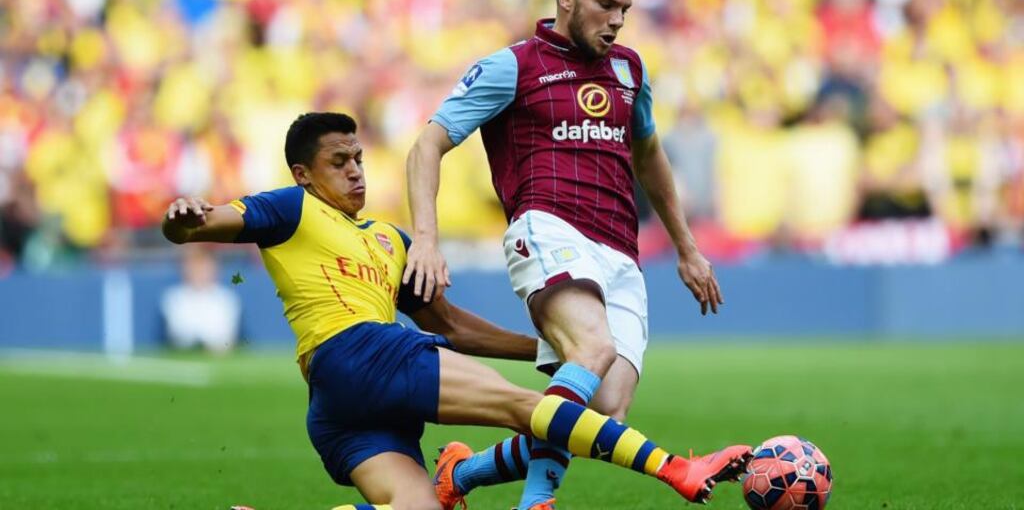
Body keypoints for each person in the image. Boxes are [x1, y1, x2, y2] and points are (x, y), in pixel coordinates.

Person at [162, 112, 750, 510]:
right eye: (339, 161)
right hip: (361, 353)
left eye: (360, 158)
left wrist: (544, 347)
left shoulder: (391, 241)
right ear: (303, 174)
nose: (355, 170)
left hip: (341, 400)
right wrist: (182, 217)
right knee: (531, 410)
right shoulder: (292, 209)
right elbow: (203, 224)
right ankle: (676, 469)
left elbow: (449, 325)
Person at [404, 0, 737, 510]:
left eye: (625, 9)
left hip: (620, 252)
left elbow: (649, 152)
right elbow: (428, 143)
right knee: (592, 348)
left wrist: (687, 248)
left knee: (604, 410)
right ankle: (537, 501)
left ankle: (461, 475)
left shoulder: (630, 69)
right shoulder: (514, 65)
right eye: (605, 5)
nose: (617, 20)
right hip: (547, 226)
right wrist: (428, 240)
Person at [160, 244, 242, 354]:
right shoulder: (173, 298)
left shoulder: (227, 298)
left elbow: (227, 336)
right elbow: (178, 334)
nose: (199, 272)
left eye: (203, 266)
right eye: (195, 266)